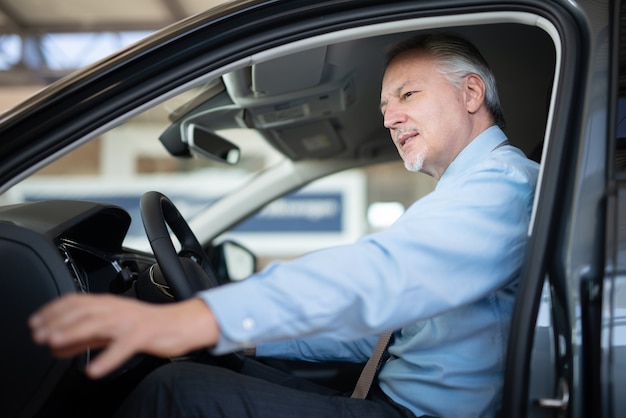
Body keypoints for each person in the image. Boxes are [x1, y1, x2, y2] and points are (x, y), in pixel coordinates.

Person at [29, 33, 539, 418]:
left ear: (471, 93)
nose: (388, 118)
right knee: (205, 371)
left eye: (407, 95)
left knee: (174, 392)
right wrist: (254, 340)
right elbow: (378, 335)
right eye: (385, 105)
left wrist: (198, 317)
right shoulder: (461, 193)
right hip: (387, 398)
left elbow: (381, 276)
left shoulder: (503, 186)